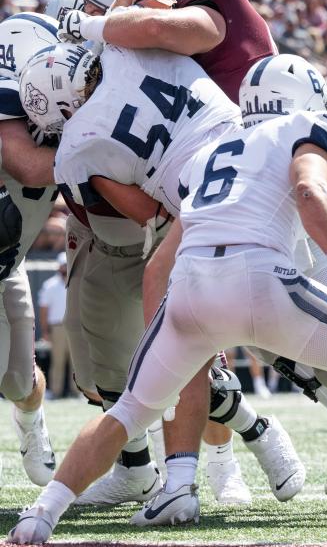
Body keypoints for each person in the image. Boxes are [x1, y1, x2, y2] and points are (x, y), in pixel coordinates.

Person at [7, 55, 327, 545]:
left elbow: (163, 258)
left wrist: (164, 334)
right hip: (260, 277)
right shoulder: (308, 126)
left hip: (191, 287)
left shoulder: (210, 153)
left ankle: (44, 514)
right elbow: (309, 188)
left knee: (130, 410)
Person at [19, 41, 305, 521]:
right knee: (128, 370)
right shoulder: (130, 50)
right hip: (246, 166)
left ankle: (232, 449)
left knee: (171, 354)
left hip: (186, 216)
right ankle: (162, 472)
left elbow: (144, 210)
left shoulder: (76, 143)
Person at [0, 12, 62, 490]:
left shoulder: (57, 104)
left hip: (10, 262)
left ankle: (32, 424)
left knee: (20, 380)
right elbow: (26, 165)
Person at [38, 253, 71, 398]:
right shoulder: (49, 285)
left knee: (78, 362)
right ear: (59, 267)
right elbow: (44, 310)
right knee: (57, 361)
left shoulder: (77, 282)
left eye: (67, 265)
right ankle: (55, 391)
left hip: (75, 327)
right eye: (63, 265)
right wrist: (46, 331)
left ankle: (79, 392)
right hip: (57, 327)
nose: (65, 267)